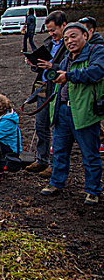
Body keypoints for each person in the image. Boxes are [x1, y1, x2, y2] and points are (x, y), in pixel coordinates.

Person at [40, 22, 104, 206]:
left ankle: (93, 190)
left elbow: (96, 72)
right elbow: (58, 73)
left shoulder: (96, 52)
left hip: (84, 111)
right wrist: (45, 68)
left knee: (89, 153)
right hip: (63, 109)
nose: (69, 41)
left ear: (86, 35)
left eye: (73, 36)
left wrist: (69, 75)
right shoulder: (68, 56)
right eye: (66, 38)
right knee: (59, 150)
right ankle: (56, 182)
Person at [25, 11, 68, 178]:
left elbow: (68, 67)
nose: (51, 34)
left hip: (58, 90)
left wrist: (52, 65)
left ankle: (54, 165)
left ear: (63, 25)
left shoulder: (69, 45)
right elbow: (41, 65)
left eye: (53, 30)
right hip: (43, 88)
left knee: (57, 128)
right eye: (49, 30)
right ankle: (41, 159)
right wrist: (34, 63)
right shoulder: (50, 42)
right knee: (40, 126)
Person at [79, 16, 104, 154]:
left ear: (91, 30)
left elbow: (96, 71)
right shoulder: (80, 48)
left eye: (84, 31)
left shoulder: (98, 48)